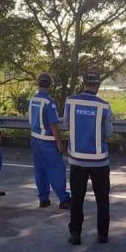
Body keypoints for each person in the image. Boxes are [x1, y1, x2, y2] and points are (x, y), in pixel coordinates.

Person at [64, 71, 113, 244]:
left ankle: (75, 233)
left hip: (77, 160)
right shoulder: (104, 106)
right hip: (100, 161)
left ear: (83, 83)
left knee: (77, 199)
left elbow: (66, 125)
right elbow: (109, 133)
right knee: (102, 199)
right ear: (98, 85)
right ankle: (103, 235)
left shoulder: (71, 102)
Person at [28, 73, 72, 209]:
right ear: (50, 84)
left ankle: (43, 198)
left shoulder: (33, 99)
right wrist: (59, 142)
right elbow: (53, 124)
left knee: (40, 170)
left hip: (35, 138)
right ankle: (64, 199)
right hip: (47, 140)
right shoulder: (49, 102)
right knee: (56, 169)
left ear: (38, 84)